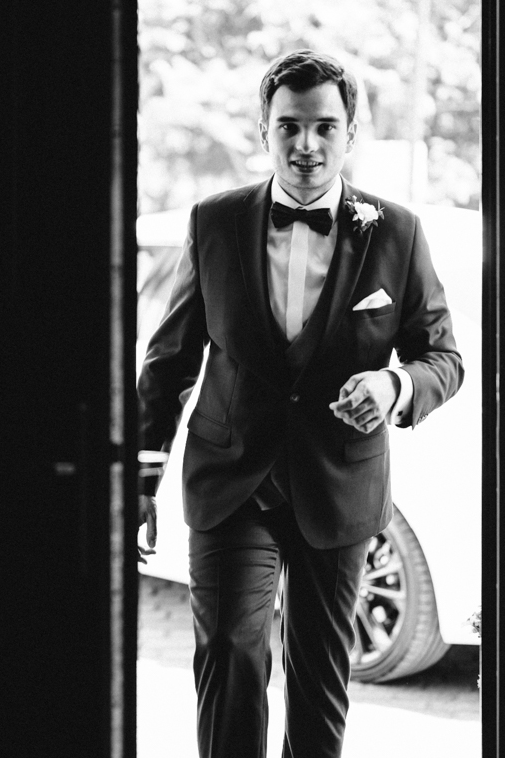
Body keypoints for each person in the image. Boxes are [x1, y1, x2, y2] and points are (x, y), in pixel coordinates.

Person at [137, 49, 464, 758]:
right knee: (231, 653)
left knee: (318, 685)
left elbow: (444, 358)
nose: (306, 145)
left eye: (324, 127)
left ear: (351, 134)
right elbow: (170, 360)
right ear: (265, 130)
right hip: (232, 479)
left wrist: (395, 386)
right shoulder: (214, 222)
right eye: (289, 126)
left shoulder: (397, 232)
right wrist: (139, 476)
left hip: (339, 484)